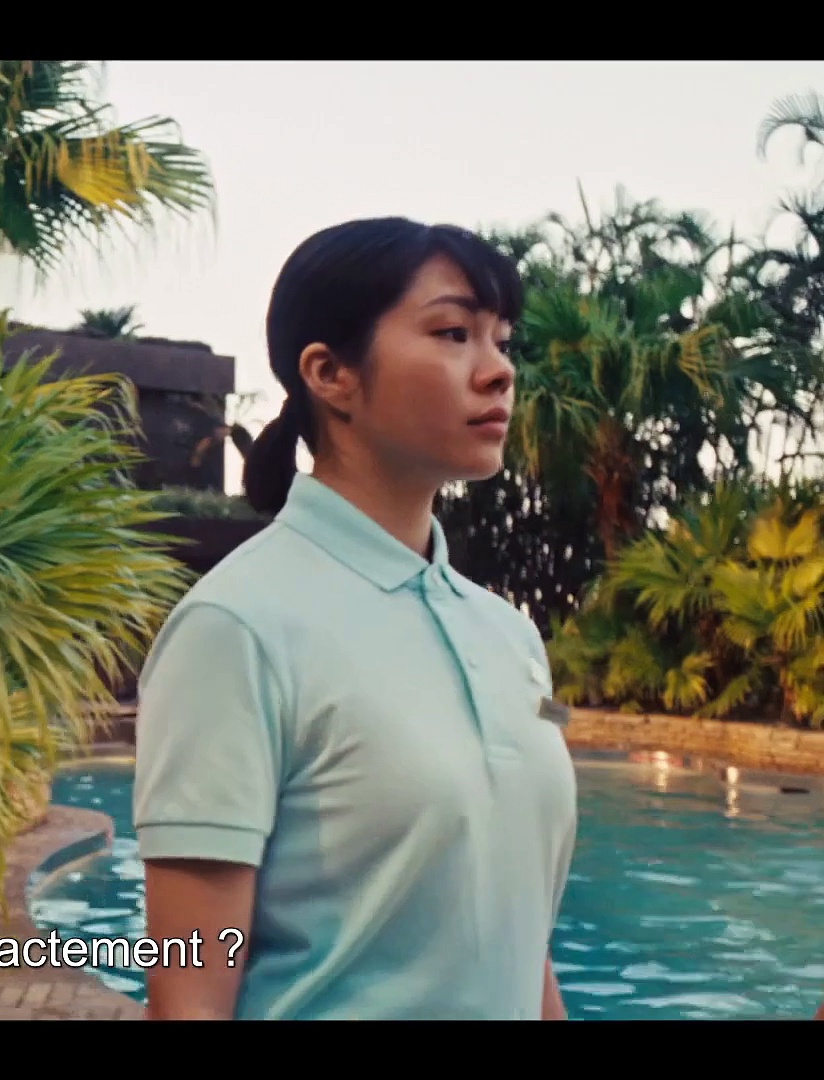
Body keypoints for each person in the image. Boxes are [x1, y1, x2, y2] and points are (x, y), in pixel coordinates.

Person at [132, 217, 579, 1020]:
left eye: (502, 341)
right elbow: (190, 994)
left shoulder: (509, 635)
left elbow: (519, 936)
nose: (499, 371)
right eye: (453, 334)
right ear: (330, 373)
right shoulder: (235, 628)